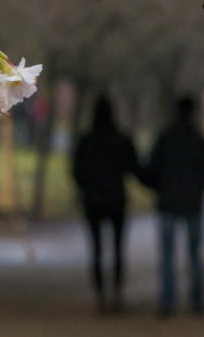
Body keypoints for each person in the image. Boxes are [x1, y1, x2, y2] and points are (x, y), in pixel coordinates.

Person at [143, 97, 204, 316]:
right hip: (193, 204)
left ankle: (167, 301)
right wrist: (197, 189)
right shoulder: (199, 139)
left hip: (167, 204)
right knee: (194, 255)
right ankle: (197, 302)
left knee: (167, 256)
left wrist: (160, 189)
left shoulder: (165, 138)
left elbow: (152, 168)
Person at [72, 95, 138, 313]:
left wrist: (85, 187)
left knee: (97, 250)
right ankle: (117, 296)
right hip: (116, 199)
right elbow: (132, 166)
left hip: (93, 201)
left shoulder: (86, 141)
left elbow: (76, 171)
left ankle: (101, 297)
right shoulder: (120, 139)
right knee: (118, 250)